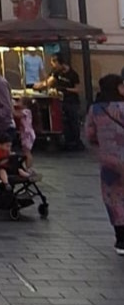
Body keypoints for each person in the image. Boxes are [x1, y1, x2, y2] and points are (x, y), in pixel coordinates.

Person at [85, 74, 124, 255]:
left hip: (110, 162)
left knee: (114, 198)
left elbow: (90, 135)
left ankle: (121, 239)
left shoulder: (96, 110)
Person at [38, 55, 84, 151]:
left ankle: (76, 142)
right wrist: (39, 86)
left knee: (73, 121)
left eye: (55, 64)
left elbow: (78, 89)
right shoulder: (56, 72)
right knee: (63, 122)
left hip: (72, 101)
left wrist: (66, 89)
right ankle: (67, 142)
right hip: (60, 100)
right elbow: (49, 82)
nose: (54, 66)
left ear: (60, 63)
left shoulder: (72, 74)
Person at [14, 97, 36, 172]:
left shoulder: (26, 111)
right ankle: (28, 167)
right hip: (25, 134)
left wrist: (11, 107)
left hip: (27, 134)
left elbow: (16, 115)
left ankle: (29, 167)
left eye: (19, 101)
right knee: (26, 151)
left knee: (27, 152)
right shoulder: (25, 111)